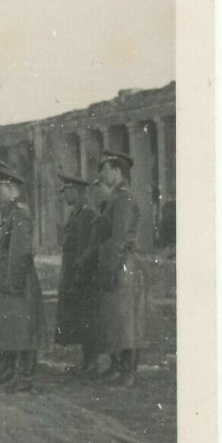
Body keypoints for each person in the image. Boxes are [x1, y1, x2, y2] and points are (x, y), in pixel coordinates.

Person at [0, 171, 46, 392]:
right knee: (12, 325)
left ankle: (25, 375)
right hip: (6, 274)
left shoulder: (20, 213)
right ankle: (13, 371)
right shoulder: (7, 212)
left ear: (10, 187)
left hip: (18, 277)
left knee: (23, 327)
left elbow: (19, 251)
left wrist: (14, 282)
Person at [94, 151, 149, 388]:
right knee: (117, 318)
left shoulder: (124, 199)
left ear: (117, 171)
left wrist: (111, 267)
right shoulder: (115, 198)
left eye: (104, 169)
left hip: (123, 263)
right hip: (117, 262)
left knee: (127, 320)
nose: (101, 174)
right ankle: (117, 367)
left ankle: (128, 371)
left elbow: (120, 237)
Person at [54, 173, 102, 376]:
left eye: (66, 192)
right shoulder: (77, 213)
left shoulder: (88, 215)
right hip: (73, 272)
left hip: (83, 275)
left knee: (87, 318)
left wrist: (78, 275)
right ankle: (86, 361)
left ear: (76, 192)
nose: (63, 196)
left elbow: (87, 248)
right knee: (80, 318)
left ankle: (92, 363)